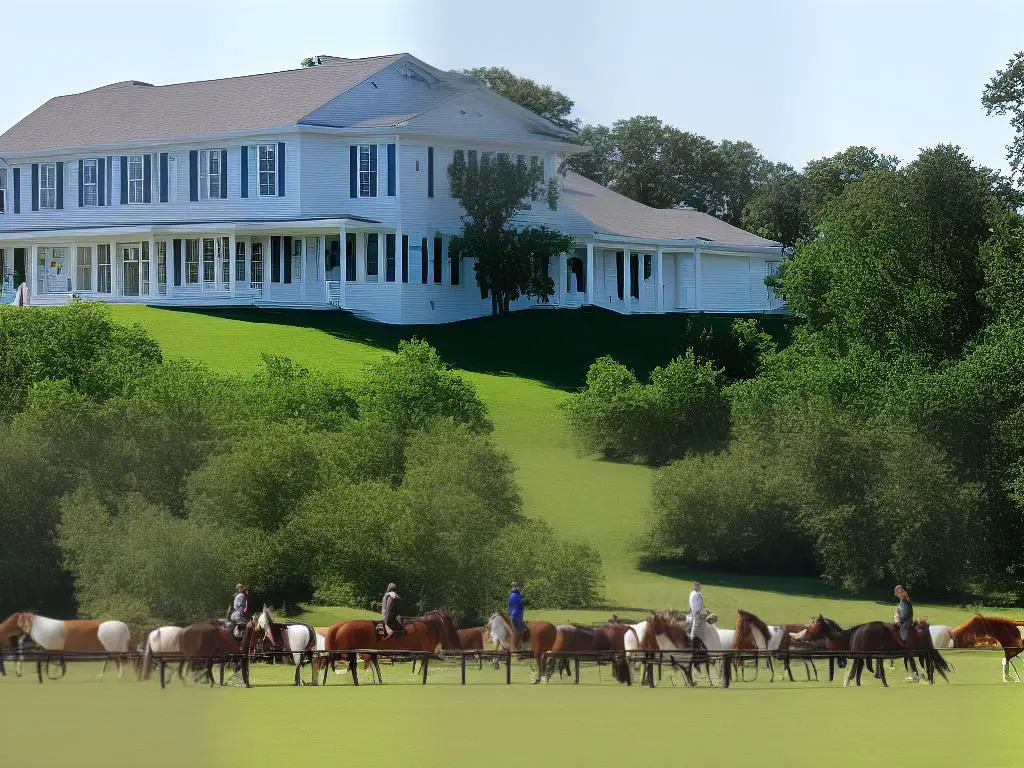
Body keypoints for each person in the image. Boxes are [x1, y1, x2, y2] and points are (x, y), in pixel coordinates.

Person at [893, 584, 920, 682]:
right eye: (898, 590)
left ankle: (904, 643)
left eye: (900, 590)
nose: (899, 592)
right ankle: (912, 674)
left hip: (907, 622)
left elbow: (905, 595)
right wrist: (896, 616)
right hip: (902, 622)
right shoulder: (900, 602)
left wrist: (901, 591)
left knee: (903, 638)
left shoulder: (905, 598)